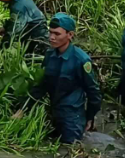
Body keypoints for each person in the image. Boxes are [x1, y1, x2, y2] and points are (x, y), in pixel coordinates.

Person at [25, 13, 101, 144]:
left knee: (70, 151)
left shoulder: (81, 60)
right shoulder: (49, 55)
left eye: (57, 34)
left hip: (72, 118)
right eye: (50, 33)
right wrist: (24, 110)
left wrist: (90, 117)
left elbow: (93, 92)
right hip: (54, 112)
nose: (51, 37)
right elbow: (42, 85)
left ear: (70, 35)